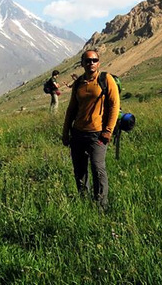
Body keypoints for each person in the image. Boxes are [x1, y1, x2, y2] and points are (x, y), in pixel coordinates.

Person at [61, 50, 120, 210]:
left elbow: (115, 105)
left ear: (99, 63)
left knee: (97, 168)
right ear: (82, 63)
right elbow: (71, 108)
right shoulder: (79, 82)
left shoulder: (105, 79)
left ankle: (101, 206)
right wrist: (66, 131)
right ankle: (84, 203)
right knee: (79, 170)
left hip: (97, 134)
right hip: (78, 133)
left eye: (94, 60)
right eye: (87, 61)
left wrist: (108, 130)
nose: (91, 63)